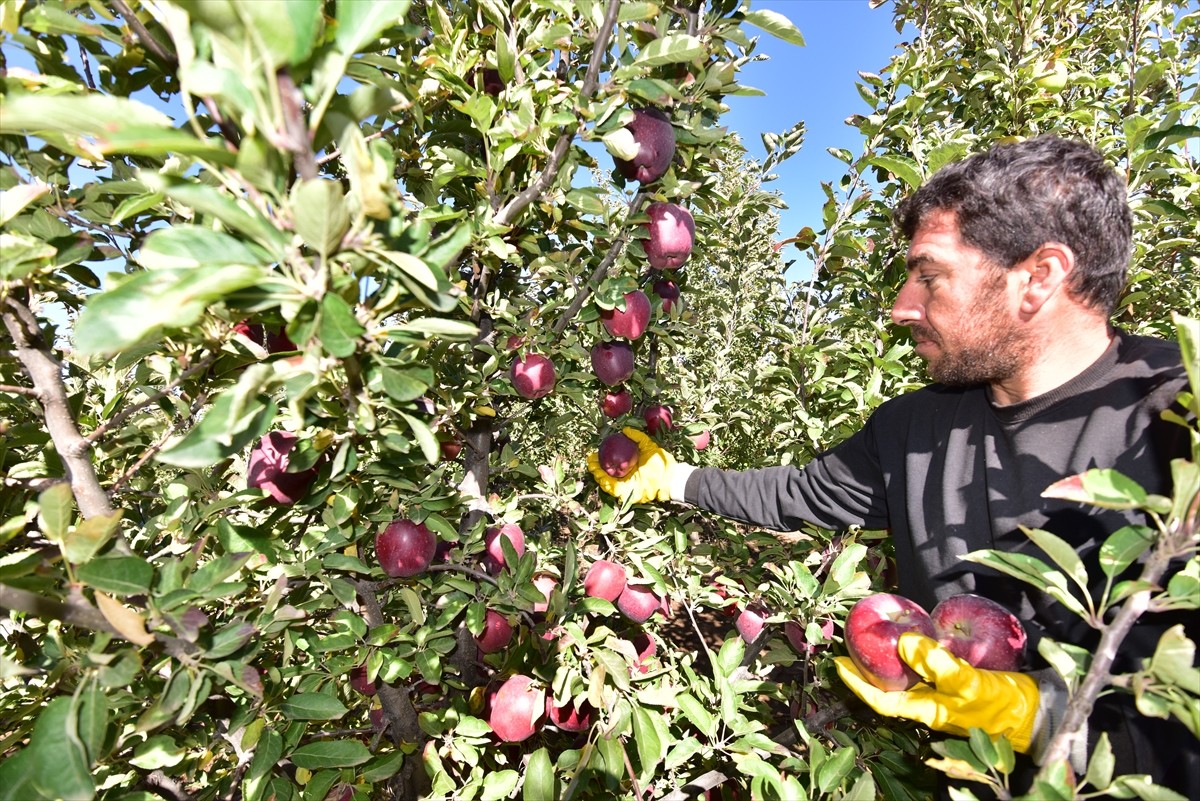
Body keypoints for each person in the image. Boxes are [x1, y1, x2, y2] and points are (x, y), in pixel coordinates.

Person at [587, 135, 1198, 797]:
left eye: (930, 276)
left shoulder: (1180, 417)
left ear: (1039, 276)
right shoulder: (914, 427)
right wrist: (673, 479)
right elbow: (800, 493)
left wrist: (1044, 714)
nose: (902, 306)